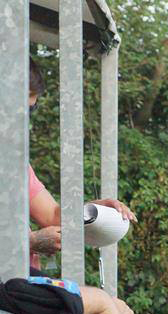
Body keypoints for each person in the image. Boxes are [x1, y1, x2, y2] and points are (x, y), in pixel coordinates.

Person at [26, 58, 137, 271]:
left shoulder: (16, 163)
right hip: (10, 291)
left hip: (22, 285)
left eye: (30, 110)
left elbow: (52, 216)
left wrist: (94, 210)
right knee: (104, 304)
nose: (23, 119)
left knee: (117, 305)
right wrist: (29, 242)